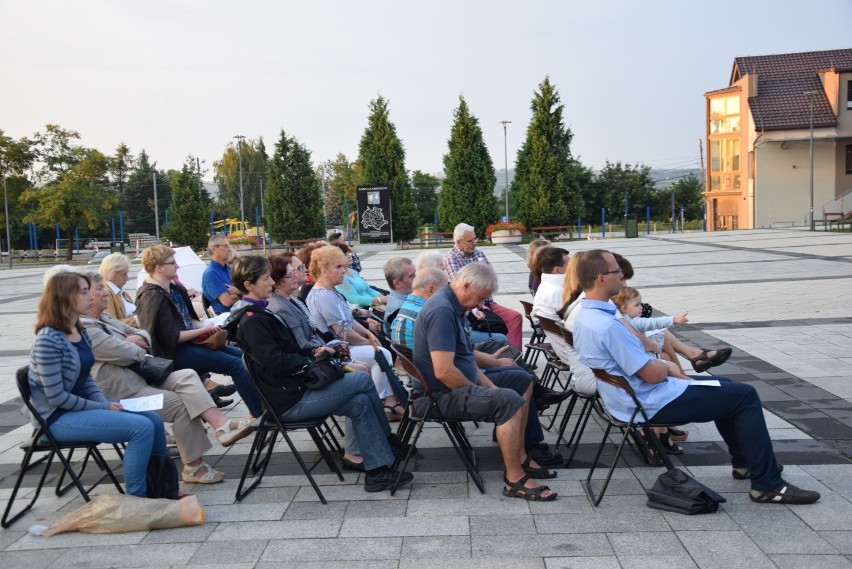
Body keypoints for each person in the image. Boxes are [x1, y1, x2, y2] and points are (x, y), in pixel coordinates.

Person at [572, 249, 820, 504]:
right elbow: (652, 376)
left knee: (726, 386)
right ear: (601, 278)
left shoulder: (587, 316)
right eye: (617, 271)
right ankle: (768, 485)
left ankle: (746, 463)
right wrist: (668, 367)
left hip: (628, 399)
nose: (621, 275)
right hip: (648, 402)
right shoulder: (608, 325)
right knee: (744, 395)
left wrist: (661, 365)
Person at [229, 254, 414, 493]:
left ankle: (377, 470)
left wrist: (318, 354)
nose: (271, 283)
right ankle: (387, 441)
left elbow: (289, 352)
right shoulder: (253, 320)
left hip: (295, 389)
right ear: (248, 285)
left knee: (359, 401)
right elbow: (278, 362)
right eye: (265, 279)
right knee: (361, 378)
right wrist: (315, 359)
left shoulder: (262, 313)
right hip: (289, 401)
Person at [79, 270, 251, 484]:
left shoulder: (104, 318)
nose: (105, 293)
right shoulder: (85, 326)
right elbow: (126, 352)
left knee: (188, 375)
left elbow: (144, 335)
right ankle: (193, 466)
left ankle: (221, 424)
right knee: (182, 404)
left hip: (141, 376)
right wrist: (132, 343)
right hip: (123, 390)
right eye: (96, 290)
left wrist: (133, 341)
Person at [413, 262, 558, 501]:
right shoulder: (442, 311)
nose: (481, 305)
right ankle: (514, 479)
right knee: (508, 400)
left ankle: (520, 455)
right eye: (481, 298)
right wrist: (482, 392)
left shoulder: (453, 305)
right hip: (438, 396)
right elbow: (443, 372)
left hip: (450, 388)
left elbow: (466, 358)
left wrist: (490, 389)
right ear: (466, 285)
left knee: (522, 380)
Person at [27, 272, 167, 497]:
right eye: (83, 292)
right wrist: (103, 407)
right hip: (55, 418)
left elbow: (86, 378)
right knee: (140, 428)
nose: (90, 297)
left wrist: (104, 403)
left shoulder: (78, 330)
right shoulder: (49, 339)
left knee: (153, 420)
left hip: (79, 408)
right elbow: (56, 397)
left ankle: (162, 490)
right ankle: (137, 498)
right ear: (65, 297)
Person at [134, 244, 263, 418]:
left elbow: (189, 322)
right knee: (237, 365)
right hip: (173, 353)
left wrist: (207, 325)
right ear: (158, 267)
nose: (177, 266)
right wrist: (206, 328)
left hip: (190, 343)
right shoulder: (151, 296)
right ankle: (259, 414)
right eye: (172, 263)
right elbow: (170, 338)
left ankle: (262, 406)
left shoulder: (174, 288)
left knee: (246, 355)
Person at [305, 245, 404, 421]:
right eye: (338, 267)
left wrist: (368, 334)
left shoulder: (330, 291)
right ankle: (386, 401)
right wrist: (369, 343)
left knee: (380, 350)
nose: (344, 270)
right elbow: (343, 332)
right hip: (336, 351)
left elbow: (348, 320)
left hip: (344, 345)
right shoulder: (323, 295)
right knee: (379, 354)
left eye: (343, 266)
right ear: (324, 270)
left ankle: (387, 400)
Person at [444, 223, 523, 348]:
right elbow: (459, 287)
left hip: (488, 302)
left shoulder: (478, 253)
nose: (474, 243)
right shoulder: (452, 257)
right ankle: (504, 355)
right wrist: (475, 309)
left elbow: (490, 276)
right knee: (495, 327)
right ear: (459, 242)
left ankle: (515, 356)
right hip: (472, 305)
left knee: (515, 317)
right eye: (470, 241)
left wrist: (485, 302)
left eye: (475, 239)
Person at [390, 267, 447, 351]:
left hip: (411, 361)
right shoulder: (429, 313)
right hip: (428, 362)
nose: (447, 294)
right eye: (444, 290)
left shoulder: (406, 305)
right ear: (431, 290)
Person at [331, 242, 387, 310]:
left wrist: (383, 298)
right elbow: (354, 299)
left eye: (349, 253)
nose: (350, 256)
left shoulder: (352, 271)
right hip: (364, 309)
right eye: (345, 255)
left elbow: (368, 290)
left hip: (374, 304)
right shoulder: (340, 277)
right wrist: (380, 300)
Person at [202, 235, 241, 314]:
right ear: (214, 249)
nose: (229, 250)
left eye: (229, 246)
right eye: (226, 246)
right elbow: (227, 302)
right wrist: (243, 293)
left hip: (238, 311)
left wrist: (238, 291)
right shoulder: (211, 274)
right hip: (228, 318)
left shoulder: (227, 269)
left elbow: (237, 290)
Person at [99, 252, 137, 325]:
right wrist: (139, 319)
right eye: (124, 274)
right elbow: (112, 324)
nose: (127, 278)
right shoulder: (106, 294)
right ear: (111, 273)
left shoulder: (121, 292)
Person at [382, 257, 415, 335]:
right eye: (411, 276)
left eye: (416, 273)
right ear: (397, 283)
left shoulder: (403, 299)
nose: (417, 278)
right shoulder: (399, 310)